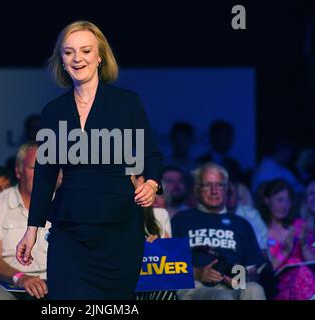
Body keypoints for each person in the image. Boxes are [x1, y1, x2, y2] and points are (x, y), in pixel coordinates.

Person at [16, 21, 164, 300]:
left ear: (100, 57)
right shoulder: (53, 111)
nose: (77, 58)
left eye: (85, 50)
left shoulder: (127, 103)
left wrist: (152, 183)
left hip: (118, 230)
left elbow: (151, 155)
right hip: (70, 230)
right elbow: (46, 175)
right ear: (61, 59)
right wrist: (31, 230)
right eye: (69, 52)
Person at [171, 162, 266, 300]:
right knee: (222, 297)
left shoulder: (241, 224)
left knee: (255, 289)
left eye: (219, 185)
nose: (214, 191)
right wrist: (197, 273)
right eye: (207, 185)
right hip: (195, 286)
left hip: (233, 286)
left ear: (226, 189)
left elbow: (253, 271)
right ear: (197, 189)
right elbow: (168, 266)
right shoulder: (181, 220)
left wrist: (240, 278)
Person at [0, 142, 51, 300]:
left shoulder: (64, 204)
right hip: (7, 283)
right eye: (35, 167)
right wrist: (21, 278)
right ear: (18, 171)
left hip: (53, 283)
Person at [257, 178, 315, 300]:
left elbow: (313, 263)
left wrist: (304, 245)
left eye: (288, 201)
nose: (284, 206)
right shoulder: (261, 231)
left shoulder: (299, 226)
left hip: (305, 280)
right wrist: (285, 251)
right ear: (267, 200)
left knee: (303, 273)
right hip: (276, 285)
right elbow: (264, 272)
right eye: (280, 200)